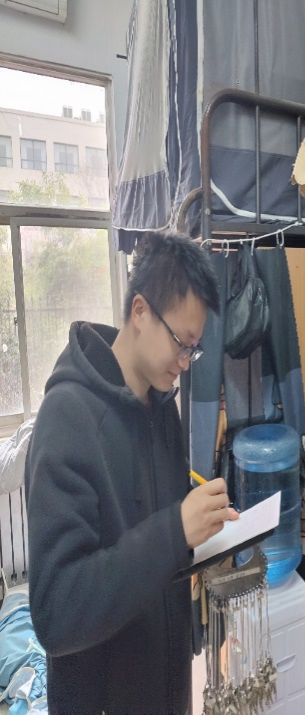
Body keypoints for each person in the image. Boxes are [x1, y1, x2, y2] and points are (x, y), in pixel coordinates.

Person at [25, 231, 238, 715]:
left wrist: (204, 530)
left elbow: (154, 538)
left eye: (193, 350)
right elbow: (56, 613)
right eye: (181, 343)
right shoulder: (67, 417)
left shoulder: (162, 408)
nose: (184, 364)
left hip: (166, 687)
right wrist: (175, 530)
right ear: (140, 311)